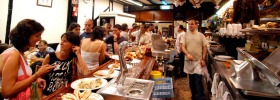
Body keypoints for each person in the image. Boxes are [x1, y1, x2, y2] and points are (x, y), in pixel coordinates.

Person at [0, 19, 55, 99]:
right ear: (25, 36)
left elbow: (18, 80)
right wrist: (37, 75)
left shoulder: (20, 52)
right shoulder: (14, 55)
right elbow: (7, 91)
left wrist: (34, 80)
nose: (40, 39)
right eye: (37, 36)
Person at [40, 32, 89, 96]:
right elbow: (40, 77)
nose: (61, 43)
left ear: (73, 45)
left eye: (65, 41)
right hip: (48, 94)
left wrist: (78, 54)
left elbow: (86, 74)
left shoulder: (74, 58)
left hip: (65, 93)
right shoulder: (50, 56)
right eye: (61, 40)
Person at [181, 19, 207, 100]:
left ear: (196, 25)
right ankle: (194, 96)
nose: (190, 26)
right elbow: (182, 47)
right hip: (189, 61)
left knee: (198, 81)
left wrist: (203, 59)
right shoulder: (185, 35)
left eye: (192, 24)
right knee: (191, 81)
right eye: (189, 24)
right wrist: (187, 54)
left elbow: (204, 47)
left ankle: (200, 97)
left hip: (198, 61)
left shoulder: (201, 35)